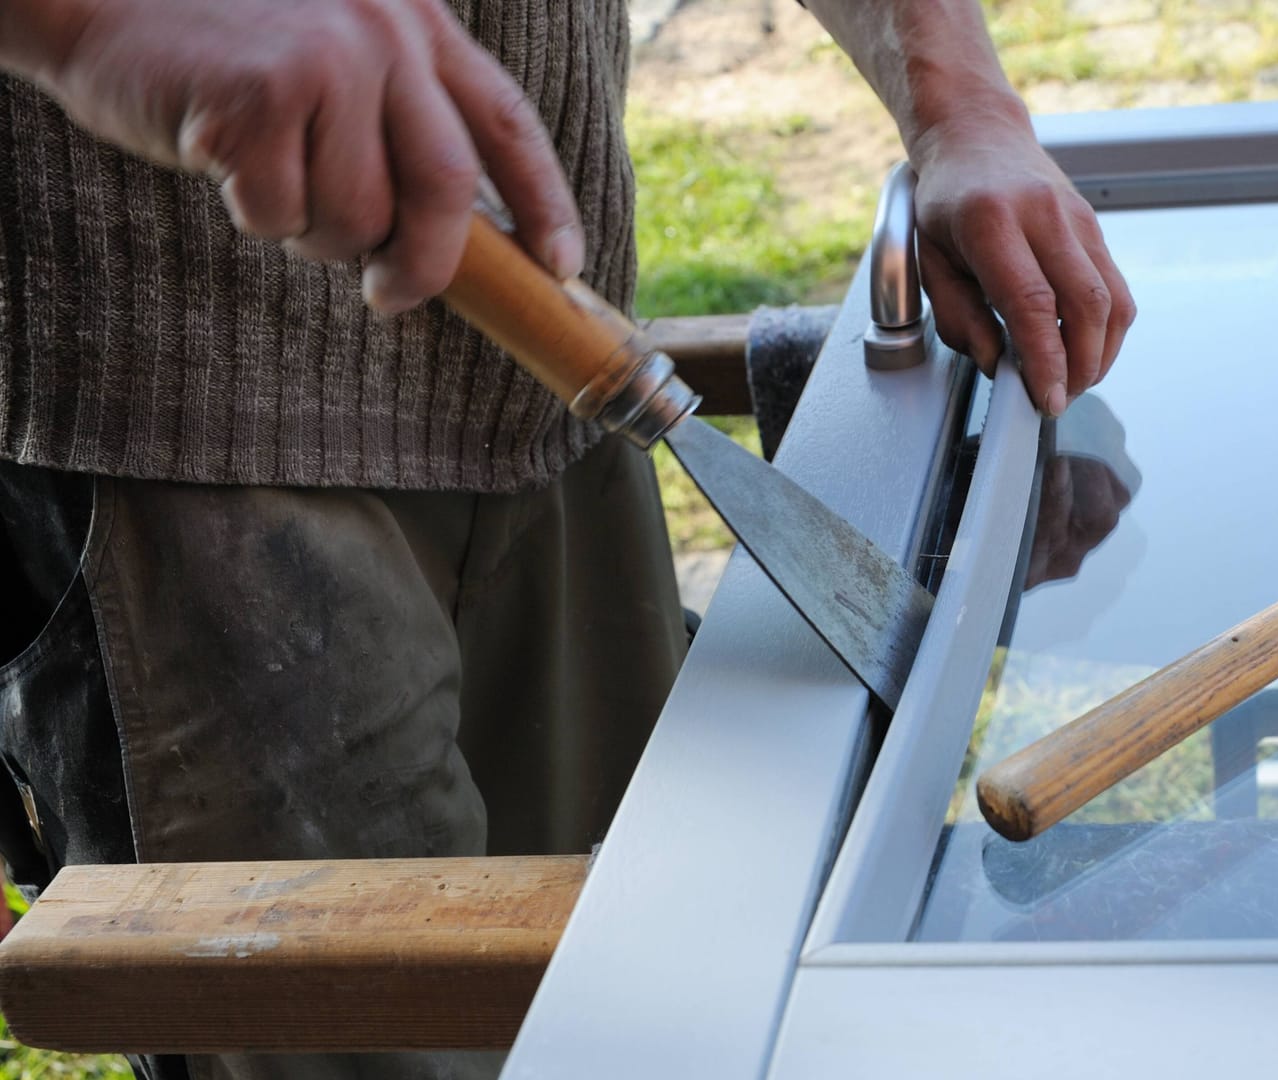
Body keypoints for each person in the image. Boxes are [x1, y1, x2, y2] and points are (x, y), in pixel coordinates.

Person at [0, 0, 1133, 1077]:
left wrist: (961, 105)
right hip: (182, 424)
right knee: (368, 1041)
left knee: (666, 994)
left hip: (559, 368)